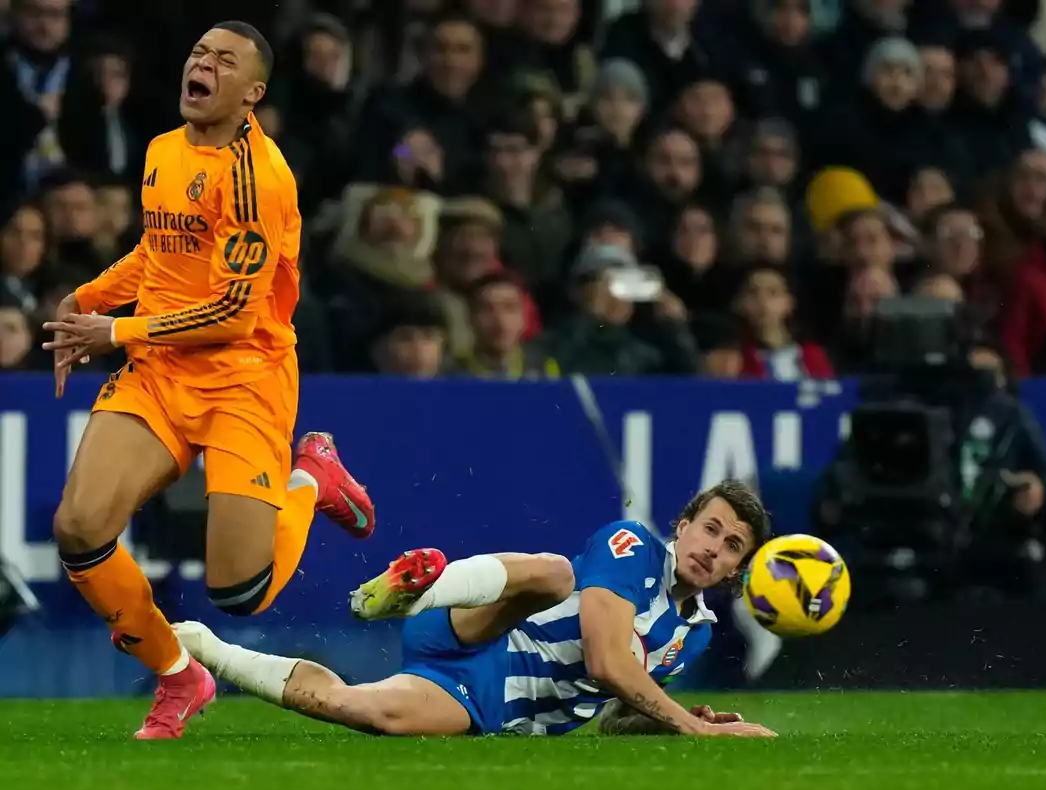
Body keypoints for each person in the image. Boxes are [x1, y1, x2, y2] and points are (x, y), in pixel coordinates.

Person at [39, 22, 376, 740]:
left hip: (243, 379)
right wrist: (90, 299)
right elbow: (158, 252)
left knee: (241, 592)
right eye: (198, 53)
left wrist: (117, 331)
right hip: (161, 372)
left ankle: (311, 479)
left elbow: (232, 311)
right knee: (79, 528)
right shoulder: (164, 149)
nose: (204, 65)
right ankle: (178, 678)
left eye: (225, 62)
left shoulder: (261, 178)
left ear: (252, 92)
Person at [175, 480, 778, 738]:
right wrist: (688, 725)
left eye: (731, 546)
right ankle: (418, 591)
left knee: (361, 709)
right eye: (709, 528)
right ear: (683, 525)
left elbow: (611, 716)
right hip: (485, 629)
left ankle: (206, 650)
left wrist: (669, 720)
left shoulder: (693, 633)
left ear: (735, 571)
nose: (712, 548)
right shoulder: (635, 547)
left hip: (489, 701)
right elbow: (603, 660)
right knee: (554, 574)